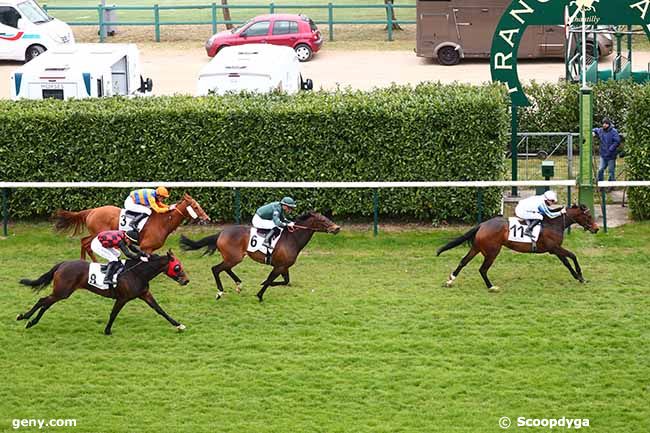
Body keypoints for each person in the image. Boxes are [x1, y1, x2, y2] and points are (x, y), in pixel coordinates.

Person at [593, 117, 621, 185]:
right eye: (603, 123)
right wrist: (593, 132)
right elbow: (595, 129)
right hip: (603, 155)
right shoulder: (601, 130)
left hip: (611, 156)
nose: (604, 125)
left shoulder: (614, 131)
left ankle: (611, 185)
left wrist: (610, 149)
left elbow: (617, 141)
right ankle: (600, 184)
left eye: (606, 124)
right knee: (600, 170)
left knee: (611, 171)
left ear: (609, 124)